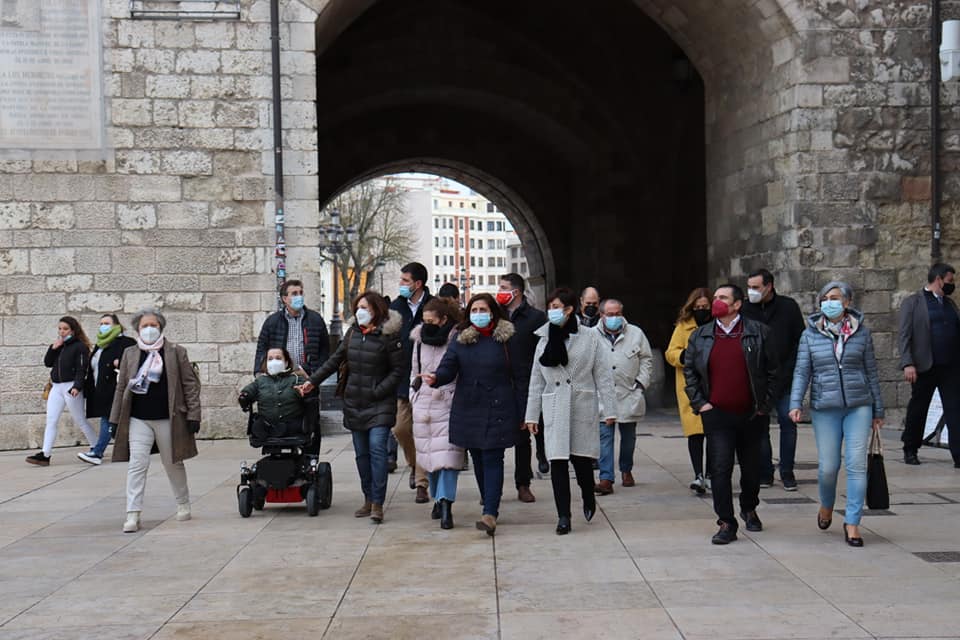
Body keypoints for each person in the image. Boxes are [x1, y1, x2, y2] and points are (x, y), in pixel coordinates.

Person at [422, 293, 526, 537]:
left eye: (483, 309)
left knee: (492, 457)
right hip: (469, 405)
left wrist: (524, 411)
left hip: (499, 405)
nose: (479, 314)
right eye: (474, 310)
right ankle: (488, 501)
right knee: (478, 458)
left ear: (493, 312)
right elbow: (449, 366)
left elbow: (521, 377)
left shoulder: (508, 339)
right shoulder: (461, 339)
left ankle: (490, 512)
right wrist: (436, 378)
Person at [789, 281, 884, 547]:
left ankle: (852, 522)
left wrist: (878, 408)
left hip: (858, 405)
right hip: (825, 407)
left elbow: (872, 372)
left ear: (847, 303)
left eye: (835, 297)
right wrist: (795, 403)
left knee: (856, 465)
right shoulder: (810, 334)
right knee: (829, 467)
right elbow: (802, 371)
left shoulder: (861, 333)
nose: (829, 302)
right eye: (824, 298)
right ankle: (826, 504)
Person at [683, 285, 778, 545]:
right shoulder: (701, 335)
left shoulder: (759, 332)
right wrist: (700, 403)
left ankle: (749, 506)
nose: (716, 302)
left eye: (722, 298)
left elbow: (773, 372)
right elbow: (690, 370)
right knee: (720, 468)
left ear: (737, 304)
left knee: (751, 469)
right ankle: (726, 521)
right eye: (716, 298)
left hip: (751, 413)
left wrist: (764, 405)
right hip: (717, 414)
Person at [299, 292, 404, 524]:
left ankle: (378, 502)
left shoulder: (389, 336)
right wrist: (312, 381)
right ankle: (368, 497)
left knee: (377, 450)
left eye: (364, 307)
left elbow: (398, 370)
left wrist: (378, 390)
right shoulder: (353, 333)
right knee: (362, 455)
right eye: (357, 307)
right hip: (355, 402)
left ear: (376, 309)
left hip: (379, 402)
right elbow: (334, 360)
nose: (360, 311)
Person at [525, 288, 617, 535]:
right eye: (550, 306)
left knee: (582, 461)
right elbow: (536, 379)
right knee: (557, 462)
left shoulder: (589, 337)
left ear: (568, 309)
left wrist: (610, 409)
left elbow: (603, 375)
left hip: (581, 403)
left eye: (557, 306)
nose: (552, 311)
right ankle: (563, 515)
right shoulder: (543, 337)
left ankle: (588, 496)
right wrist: (531, 415)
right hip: (554, 405)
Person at [110, 309, 201, 533]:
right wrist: (114, 419)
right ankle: (132, 513)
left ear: (160, 327)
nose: (149, 329)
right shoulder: (130, 353)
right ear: (137, 329)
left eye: (154, 325)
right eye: (144, 326)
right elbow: (121, 387)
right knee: (137, 464)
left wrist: (193, 414)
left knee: (172, 462)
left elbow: (190, 385)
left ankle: (182, 503)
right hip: (138, 418)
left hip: (168, 417)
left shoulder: (175, 352)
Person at [742, 268, 806, 490]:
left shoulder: (788, 307)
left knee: (788, 423)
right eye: (749, 287)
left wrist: (790, 369)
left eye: (756, 287)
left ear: (769, 286)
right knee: (760, 426)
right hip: (758, 379)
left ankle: (787, 471)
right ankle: (765, 472)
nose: (751, 291)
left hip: (785, 377)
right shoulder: (746, 309)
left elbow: (800, 341)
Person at [898, 263, 960, 467]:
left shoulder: (950, 304)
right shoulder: (914, 302)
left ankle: (958, 454)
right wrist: (908, 363)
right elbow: (904, 335)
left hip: (950, 366)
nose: (952, 285)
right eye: (950, 280)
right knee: (919, 408)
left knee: (955, 409)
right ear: (939, 279)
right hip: (925, 365)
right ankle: (910, 448)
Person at [410, 297, 463, 529]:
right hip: (423, 405)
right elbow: (414, 371)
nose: (427, 325)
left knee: (449, 459)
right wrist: (414, 396)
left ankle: (446, 504)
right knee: (429, 459)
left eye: (432, 321)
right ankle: (437, 496)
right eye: (424, 320)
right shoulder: (419, 340)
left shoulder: (457, 339)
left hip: (449, 403)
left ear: (443, 320)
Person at [497, 272, 548, 503]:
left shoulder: (535, 318)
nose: (500, 291)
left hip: (523, 384)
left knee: (522, 437)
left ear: (516, 291)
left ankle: (523, 483)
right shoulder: (494, 315)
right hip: (497, 383)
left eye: (504, 287)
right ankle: (492, 487)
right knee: (493, 438)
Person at [595, 298, 654, 494]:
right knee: (605, 437)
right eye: (610, 315)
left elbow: (646, 359)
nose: (614, 318)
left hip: (629, 393)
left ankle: (626, 469)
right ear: (602, 315)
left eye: (618, 314)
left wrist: (641, 383)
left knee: (628, 438)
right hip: (603, 396)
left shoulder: (635, 333)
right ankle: (606, 478)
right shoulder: (592, 335)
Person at [26, 317, 99, 466]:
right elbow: (47, 363)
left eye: (65, 329)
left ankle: (97, 446)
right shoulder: (59, 345)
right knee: (51, 420)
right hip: (56, 387)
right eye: (60, 328)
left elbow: (81, 368)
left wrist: (77, 386)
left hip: (71, 386)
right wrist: (53, 348)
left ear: (73, 330)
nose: (62, 332)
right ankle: (45, 455)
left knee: (80, 420)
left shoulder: (80, 346)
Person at [389, 262, 434, 502]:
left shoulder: (434, 306)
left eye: (406, 281)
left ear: (418, 284)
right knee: (401, 428)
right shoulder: (394, 307)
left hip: (427, 379)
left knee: (424, 430)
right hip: (401, 379)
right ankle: (415, 463)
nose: (402, 284)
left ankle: (421, 483)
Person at [665, 288, 714, 494]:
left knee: (713, 432)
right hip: (690, 385)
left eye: (705, 307)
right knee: (695, 433)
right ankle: (698, 474)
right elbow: (671, 352)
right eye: (698, 307)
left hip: (714, 383)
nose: (701, 310)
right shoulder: (684, 327)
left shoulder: (717, 325)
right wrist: (684, 357)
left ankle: (712, 474)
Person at [78, 314, 136, 465]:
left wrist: (121, 362)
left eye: (107, 323)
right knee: (113, 421)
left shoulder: (126, 342)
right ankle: (128, 451)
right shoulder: (100, 344)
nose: (103, 326)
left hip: (116, 388)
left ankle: (97, 453)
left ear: (116, 325)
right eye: (101, 323)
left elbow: (136, 360)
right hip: (101, 389)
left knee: (108, 419)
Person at [254, 279, 329, 377]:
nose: (299, 296)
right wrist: (259, 372)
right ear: (285, 299)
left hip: (307, 376)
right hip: (280, 376)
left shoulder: (315, 319)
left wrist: (315, 372)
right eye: (294, 294)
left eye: (301, 293)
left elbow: (325, 350)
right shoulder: (272, 321)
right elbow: (262, 348)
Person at [238, 348, 307, 441]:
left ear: (286, 362)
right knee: (258, 426)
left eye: (278, 358)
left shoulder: (296, 379)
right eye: (270, 359)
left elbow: (307, 390)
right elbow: (250, 390)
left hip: (291, 425)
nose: (274, 361)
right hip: (266, 425)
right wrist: (244, 396)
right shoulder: (261, 381)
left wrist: (304, 391)